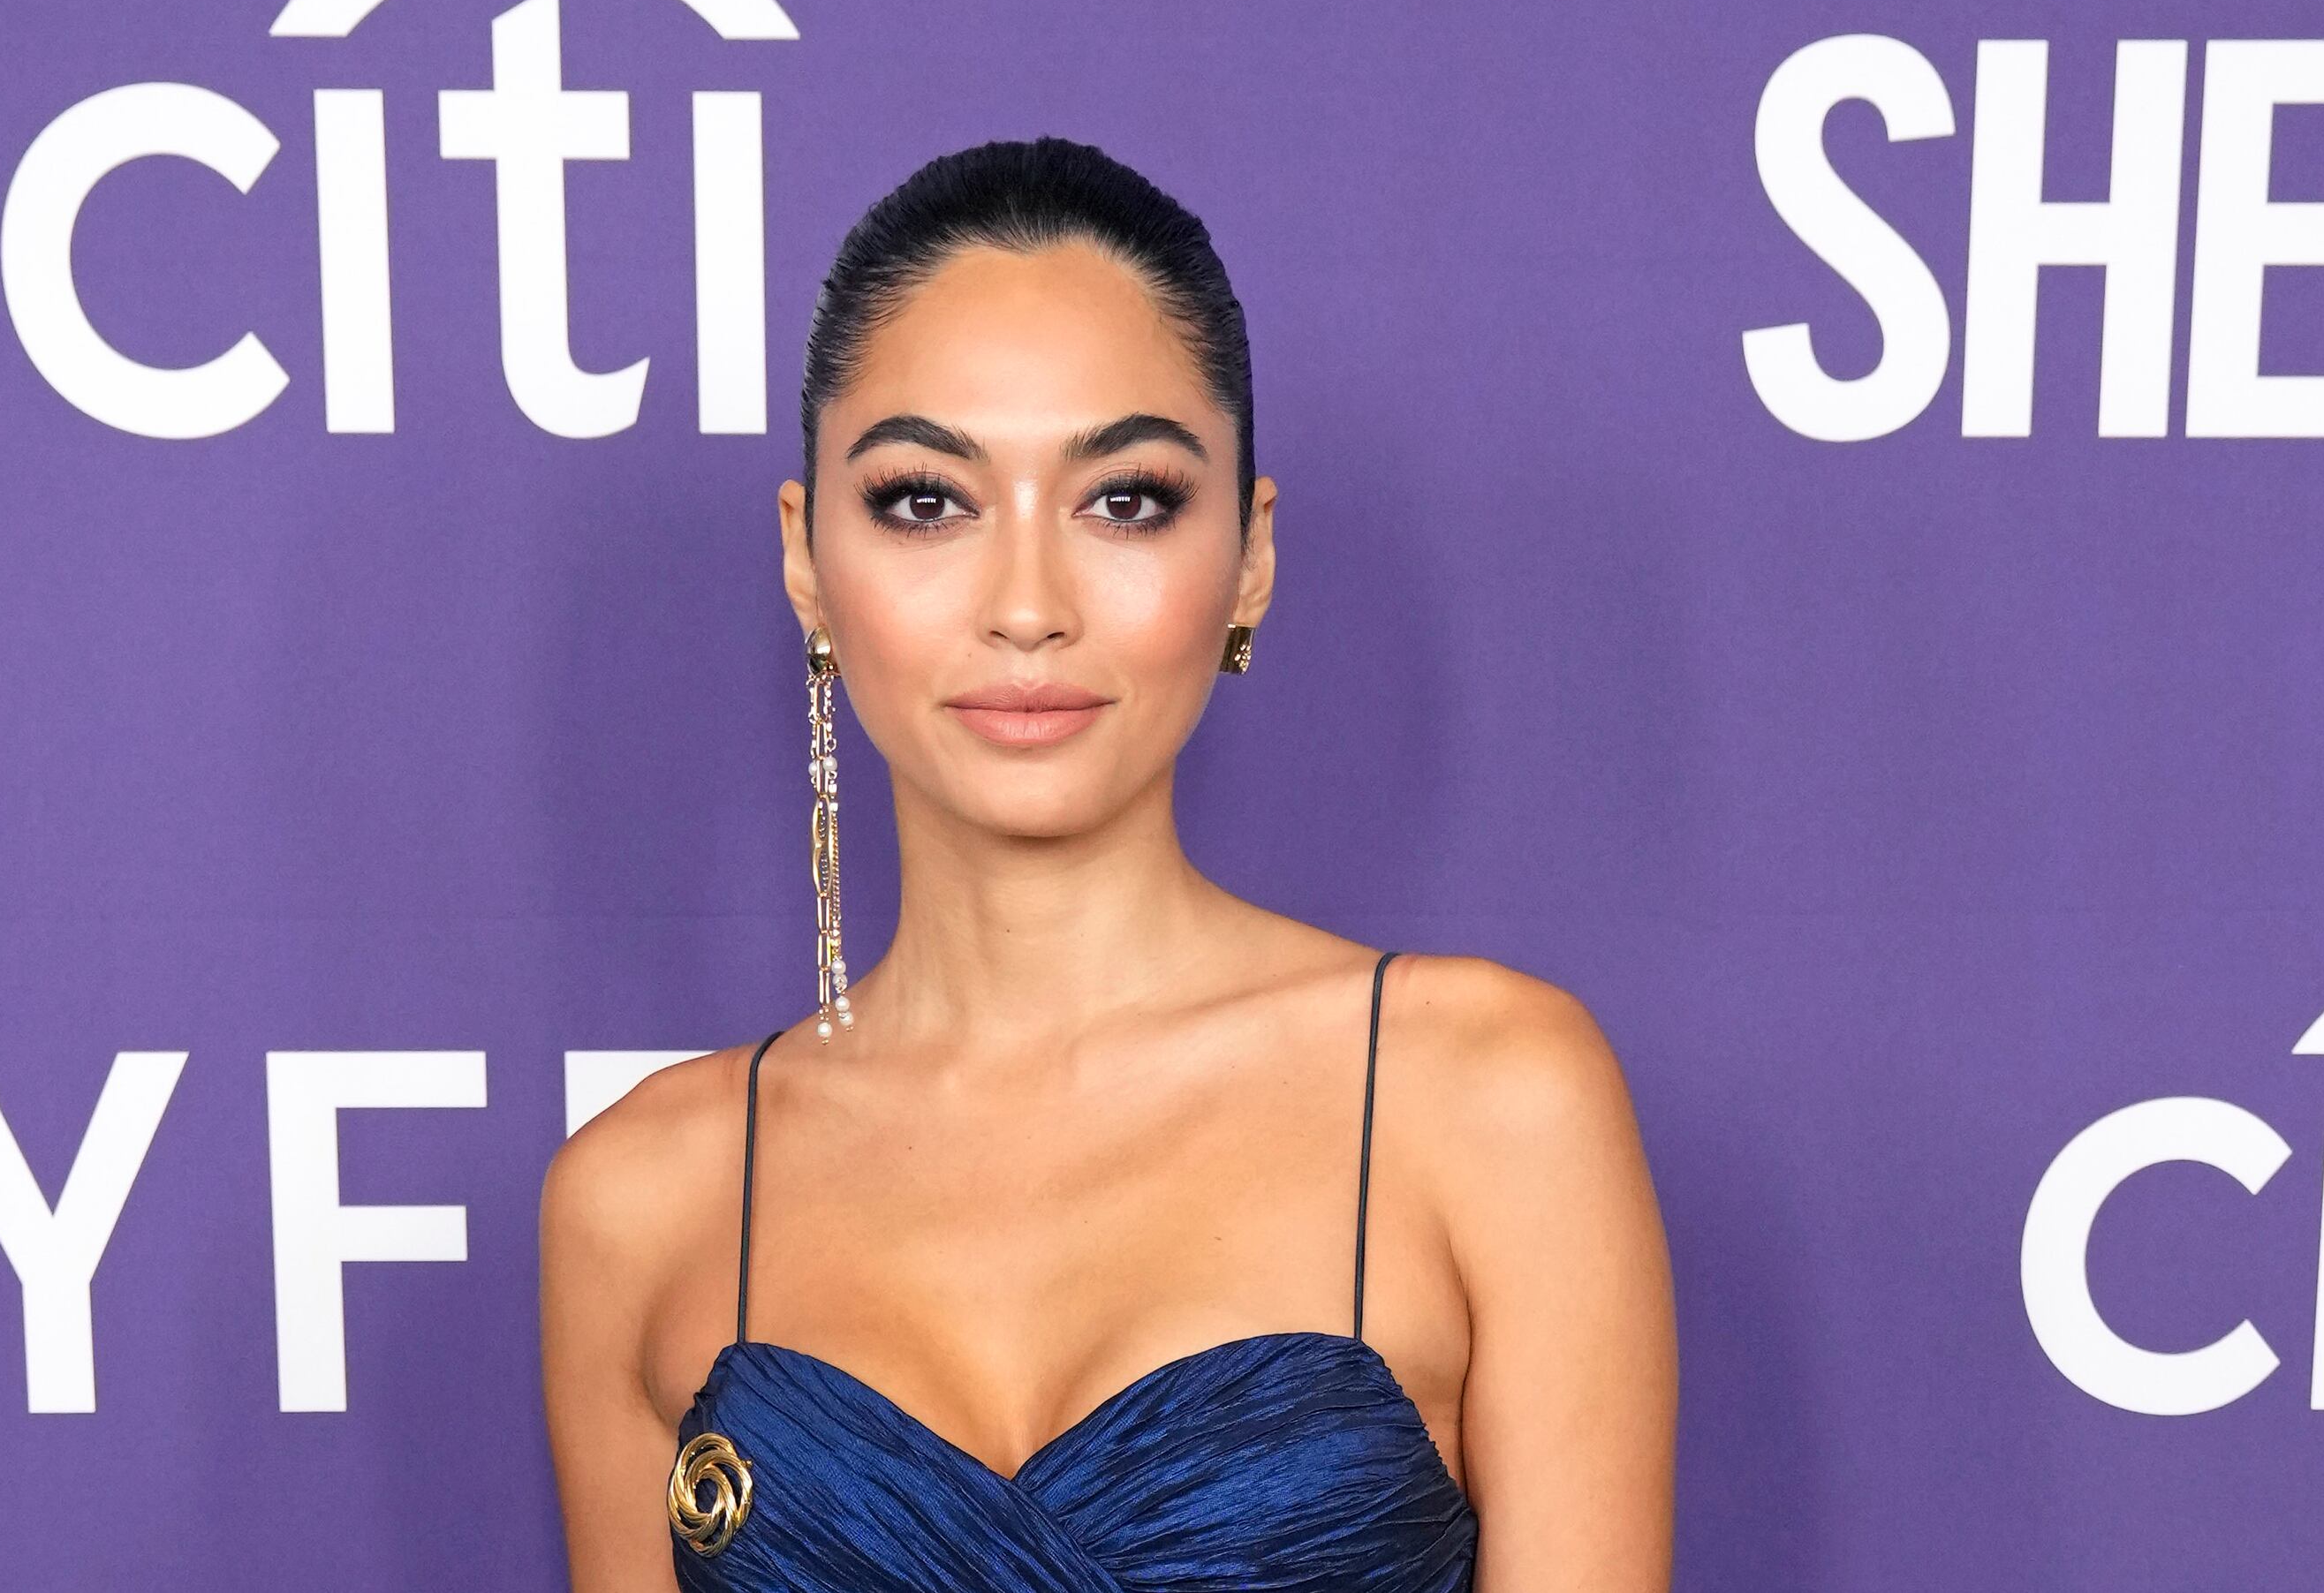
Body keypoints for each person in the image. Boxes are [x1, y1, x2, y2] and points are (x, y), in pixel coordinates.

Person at [539, 136, 1676, 1591]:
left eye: (1125, 498)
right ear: (807, 558)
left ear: (1249, 556)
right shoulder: (643, 1201)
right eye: (925, 500)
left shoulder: (1486, 1099)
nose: (1028, 605)